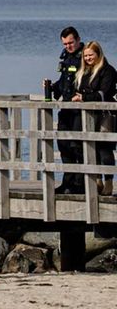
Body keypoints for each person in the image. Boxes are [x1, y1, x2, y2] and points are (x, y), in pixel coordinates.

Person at [71, 39, 117, 196]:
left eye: (90, 55)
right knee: (90, 148)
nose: (88, 58)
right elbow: (77, 89)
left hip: (105, 115)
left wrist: (83, 97)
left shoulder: (108, 70)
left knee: (105, 149)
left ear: (98, 54)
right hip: (87, 115)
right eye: (85, 56)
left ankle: (109, 181)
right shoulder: (84, 71)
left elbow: (104, 93)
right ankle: (97, 181)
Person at [49, 27, 85, 194]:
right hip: (66, 108)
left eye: (71, 42)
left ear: (78, 40)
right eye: (65, 44)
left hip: (80, 110)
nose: (68, 46)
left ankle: (80, 184)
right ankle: (67, 182)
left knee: (77, 146)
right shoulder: (65, 57)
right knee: (63, 145)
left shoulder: (86, 56)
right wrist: (52, 87)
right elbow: (64, 81)